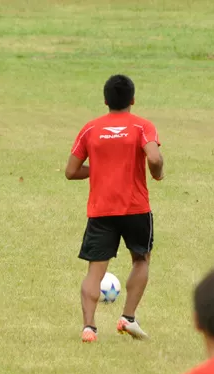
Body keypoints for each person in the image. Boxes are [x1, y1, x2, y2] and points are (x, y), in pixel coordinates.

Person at [65, 74, 164, 343]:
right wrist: (158, 172)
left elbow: (71, 171)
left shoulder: (91, 129)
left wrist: (98, 169)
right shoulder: (142, 126)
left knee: (95, 270)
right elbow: (154, 157)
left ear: (106, 100)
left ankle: (89, 328)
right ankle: (128, 318)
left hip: (101, 209)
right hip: (135, 208)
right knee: (141, 259)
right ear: (132, 99)